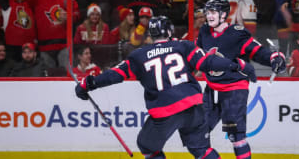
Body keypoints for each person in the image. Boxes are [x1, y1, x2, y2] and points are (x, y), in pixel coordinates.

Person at [75, 15, 257, 159]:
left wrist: (87, 84)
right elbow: (208, 62)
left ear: (151, 34)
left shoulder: (138, 55)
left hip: (165, 111)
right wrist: (237, 65)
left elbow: (114, 75)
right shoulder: (183, 46)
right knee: (201, 149)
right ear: (169, 31)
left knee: (146, 145)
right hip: (194, 107)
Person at [196, 0, 286, 159]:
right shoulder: (204, 31)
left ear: (223, 14)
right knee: (199, 131)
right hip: (211, 88)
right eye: (208, 12)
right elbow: (195, 54)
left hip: (234, 89)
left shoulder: (236, 33)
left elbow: (256, 50)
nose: (209, 16)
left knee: (236, 136)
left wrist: (273, 57)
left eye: (213, 12)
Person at [19, 0, 80, 69]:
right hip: (45, 47)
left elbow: (77, 15)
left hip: (64, 46)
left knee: (66, 77)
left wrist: (69, 17)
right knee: (47, 78)